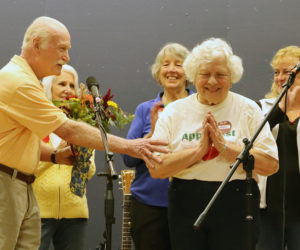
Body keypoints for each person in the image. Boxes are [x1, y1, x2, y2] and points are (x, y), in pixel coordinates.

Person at [0, 16, 167, 250]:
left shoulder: (28, 81)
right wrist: (132, 146)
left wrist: (55, 157)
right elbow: (68, 129)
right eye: (62, 49)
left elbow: (16, 141)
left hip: (22, 186)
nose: (67, 57)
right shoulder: (18, 81)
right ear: (36, 45)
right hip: (7, 186)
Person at [148, 38, 279, 250]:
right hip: (186, 200)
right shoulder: (173, 112)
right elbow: (156, 168)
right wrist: (198, 151)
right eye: (205, 74)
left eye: (220, 75)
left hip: (237, 199)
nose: (212, 81)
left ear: (232, 77)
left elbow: (271, 165)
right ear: (194, 75)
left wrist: (226, 149)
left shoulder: (248, 109)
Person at [123, 43, 193, 250]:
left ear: (188, 71)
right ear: (158, 71)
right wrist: (152, 135)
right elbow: (128, 160)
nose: (171, 69)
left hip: (191, 203)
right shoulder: (145, 109)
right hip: (148, 205)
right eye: (165, 64)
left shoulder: (201, 106)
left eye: (178, 64)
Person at [32, 64, 96, 250]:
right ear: (49, 88)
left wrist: (80, 155)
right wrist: (57, 155)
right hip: (37, 214)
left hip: (75, 215)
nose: (67, 89)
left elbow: (89, 172)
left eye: (71, 85)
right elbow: (25, 164)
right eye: (62, 84)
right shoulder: (36, 120)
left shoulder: (83, 123)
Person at [256, 46, 300, 250]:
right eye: (276, 72)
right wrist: (281, 109)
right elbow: (253, 139)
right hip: (269, 208)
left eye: (288, 72)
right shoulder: (261, 107)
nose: (281, 78)